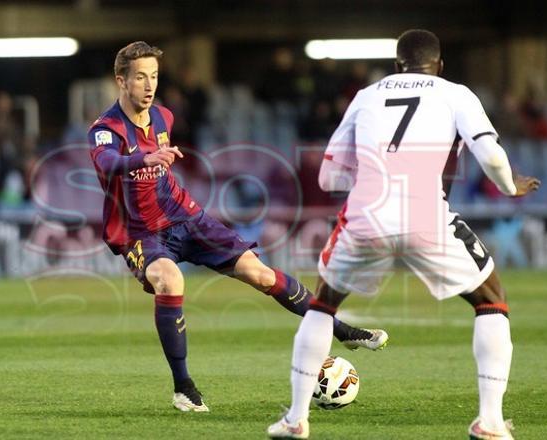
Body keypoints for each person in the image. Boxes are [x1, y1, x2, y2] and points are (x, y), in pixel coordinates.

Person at [87, 41, 388, 413]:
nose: (149, 86)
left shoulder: (164, 117)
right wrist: (144, 158)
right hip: (140, 231)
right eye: (140, 78)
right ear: (121, 81)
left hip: (187, 217)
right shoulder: (105, 128)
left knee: (260, 275)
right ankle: (183, 386)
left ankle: (344, 333)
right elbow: (107, 162)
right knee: (170, 279)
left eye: (154, 77)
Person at [267, 29, 540, 439]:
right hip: (427, 215)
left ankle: (295, 419)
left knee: (323, 305)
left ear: (396, 66)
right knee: (490, 300)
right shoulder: (456, 93)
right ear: (440, 66)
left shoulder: (366, 96)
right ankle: (491, 421)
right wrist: (509, 186)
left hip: (365, 216)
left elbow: (328, 176)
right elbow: (488, 152)